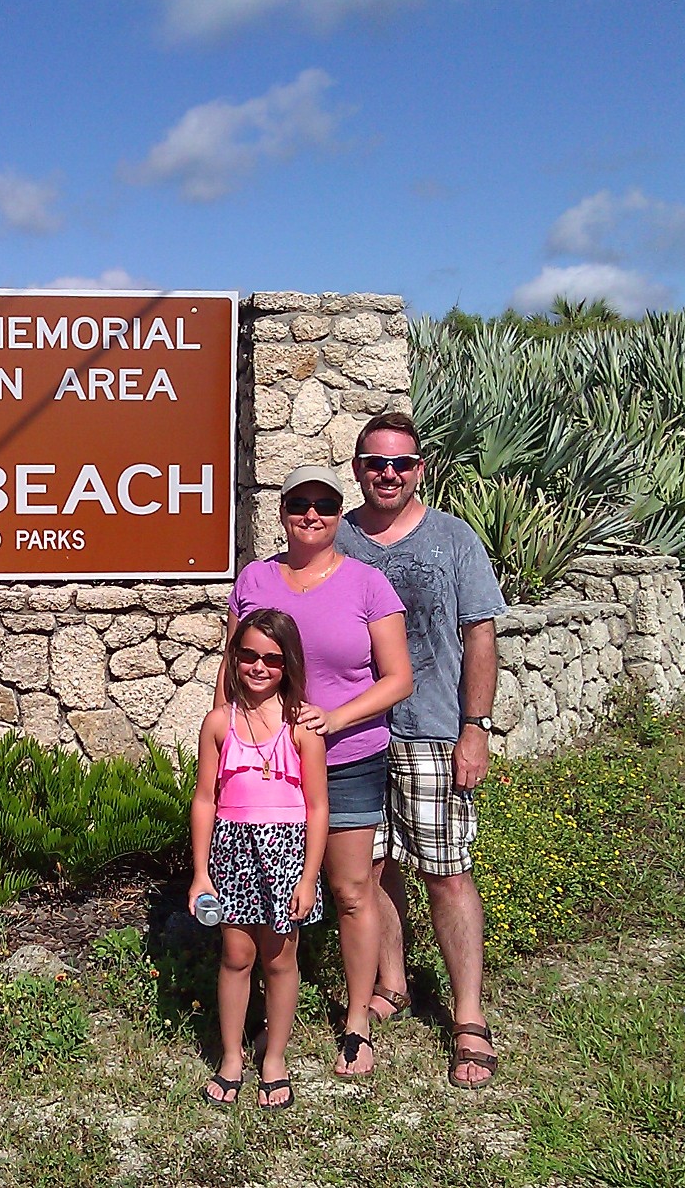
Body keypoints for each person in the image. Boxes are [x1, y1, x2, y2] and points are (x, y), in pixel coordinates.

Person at [219, 467, 413, 1077]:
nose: (312, 514)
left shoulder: (368, 584)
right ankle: (253, 1018)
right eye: (299, 503)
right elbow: (234, 667)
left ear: (339, 513)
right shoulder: (254, 578)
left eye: (325, 505)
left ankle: (357, 1023)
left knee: (352, 891)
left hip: (348, 758)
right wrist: (223, 740)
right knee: (254, 901)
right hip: (266, 771)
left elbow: (398, 677)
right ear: (282, 512)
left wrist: (335, 716)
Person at [336, 412, 508, 1089]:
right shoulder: (337, 533)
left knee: (445, 870)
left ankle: (468, 1016)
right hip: (354, 732)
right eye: (376, 462)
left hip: (433, 727)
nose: (388, 473)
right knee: (372, 868)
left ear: (420, 470)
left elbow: (480, 636)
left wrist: (476, 727)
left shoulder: (453, 539)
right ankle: (393, 982)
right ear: (357, 468)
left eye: (401, 464)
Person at [190, 608, 328, 1109]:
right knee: (236, 955)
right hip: (231, 852)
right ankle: (231, 1056)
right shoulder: (218, 724)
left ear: (287, 664)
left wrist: (310, 876)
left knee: (280, 958)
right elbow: (205, 799)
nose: (259, 666)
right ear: (235, 658)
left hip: (287, 854)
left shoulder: (303, 727)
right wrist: (200, 873)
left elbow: (317, 808)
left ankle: (274, 1055)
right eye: (248, 655)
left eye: (272, 658)